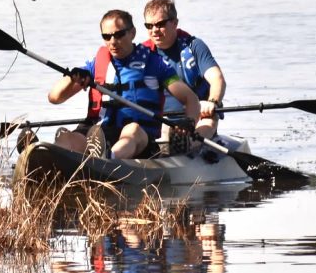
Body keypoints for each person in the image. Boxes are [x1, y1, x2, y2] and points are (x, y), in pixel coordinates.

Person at [47, 9, 202, 160]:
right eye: (107, 37)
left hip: (139, 137)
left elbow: (190, 99)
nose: (113, 41)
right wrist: (72, 78)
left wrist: (189, 123)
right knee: (68, 137)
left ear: (132, 33)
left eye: (119, 35)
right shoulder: (96, 65)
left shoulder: (155, 64)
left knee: (131, 130)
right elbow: (54, 98)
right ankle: (45, 159)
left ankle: (107, 159)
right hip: (99, 133)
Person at [140, 0, 226, 144]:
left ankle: (189, 144)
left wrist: (212, 102)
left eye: (160, 24)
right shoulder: (142, 53)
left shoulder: (194, 46)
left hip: (199, 116)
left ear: (174, 23)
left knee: (207, 122)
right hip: (161, 119)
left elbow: (217, 79)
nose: (154, 30)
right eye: (149, 26)